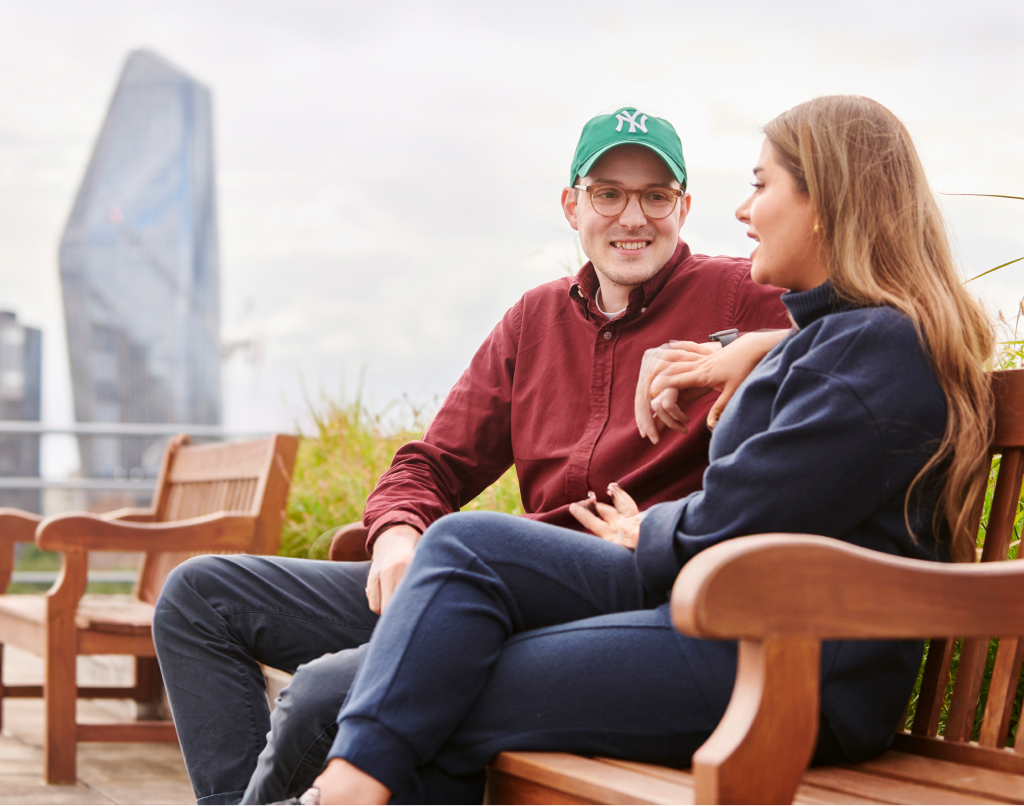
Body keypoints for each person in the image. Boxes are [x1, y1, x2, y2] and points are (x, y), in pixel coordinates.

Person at [300, 94, 997, 804]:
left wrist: (651, 528)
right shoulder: (852, 342)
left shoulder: (873, 350)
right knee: (457, 561)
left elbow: (740, 519)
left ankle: (343, 791)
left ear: (826, 202)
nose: (743, 209)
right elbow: (777, 485)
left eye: (761, 184)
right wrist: (753, 347)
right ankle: (345, 788)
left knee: (455, 613)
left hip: (788, 663)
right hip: (741, 627)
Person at [151, 107, 790, 806]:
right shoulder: (534, 319)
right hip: (477, 589)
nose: (632, 216)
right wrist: (396, 535)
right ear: (571, 203)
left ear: (684, 207)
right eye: (608, 192)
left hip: (610, 610)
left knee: (326, 692)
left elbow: (869, 329)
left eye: (655, 196)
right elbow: (432, 462)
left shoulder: (741, 295)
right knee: (197, 597)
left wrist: (746, 347)